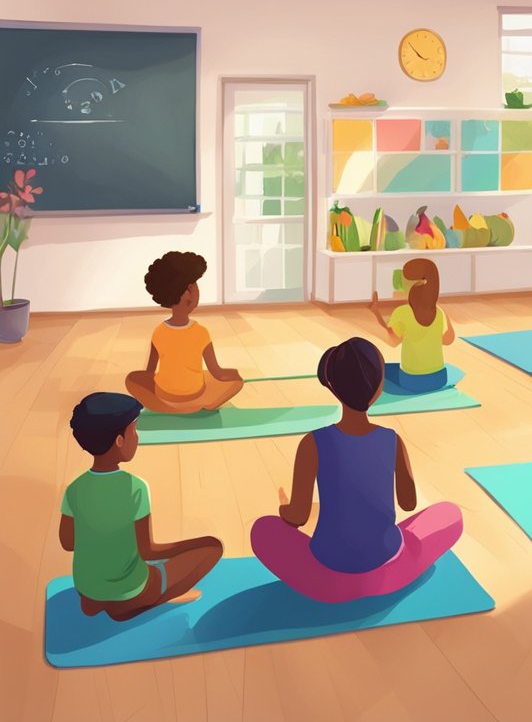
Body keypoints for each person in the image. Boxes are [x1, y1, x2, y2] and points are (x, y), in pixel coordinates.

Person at [250, 338, 463, 602]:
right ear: (378, 388)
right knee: (450, 514)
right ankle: (379, 575)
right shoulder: (393, 439)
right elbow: (408, 504)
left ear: (334, 387)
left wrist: (284, 506)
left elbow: (297, 517)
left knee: (262, 530)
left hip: (328, 577)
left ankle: (346, 584)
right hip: (389, 569)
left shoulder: (312, 443)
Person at [59, 392, 223, 621]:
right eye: (134, 431)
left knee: (133, 559)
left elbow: (68, 542)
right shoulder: (135, 487)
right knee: (212, 548)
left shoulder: (74, 489)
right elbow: (148, 551)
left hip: (86, 590)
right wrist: (193, 544)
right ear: (119, 440)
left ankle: (97, 601)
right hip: (132, 590)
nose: (137, 437)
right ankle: (138, 603)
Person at [125, 252, 244, 414]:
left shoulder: (158, 331)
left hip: (163, 394)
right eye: (195, 284)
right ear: (188, 293)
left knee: (136, 378)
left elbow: (149, 372)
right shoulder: (201, 333)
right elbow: (217, 372)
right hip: (195, 394)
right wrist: (232, 373)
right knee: (234, 379)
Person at [370, 258, 455, 394]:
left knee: (381, 370)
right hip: (439, 378)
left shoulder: (402, 313)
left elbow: (392, 341)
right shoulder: (439, 312)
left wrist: (375, 315)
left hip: (412, 381)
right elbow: (449, 340)